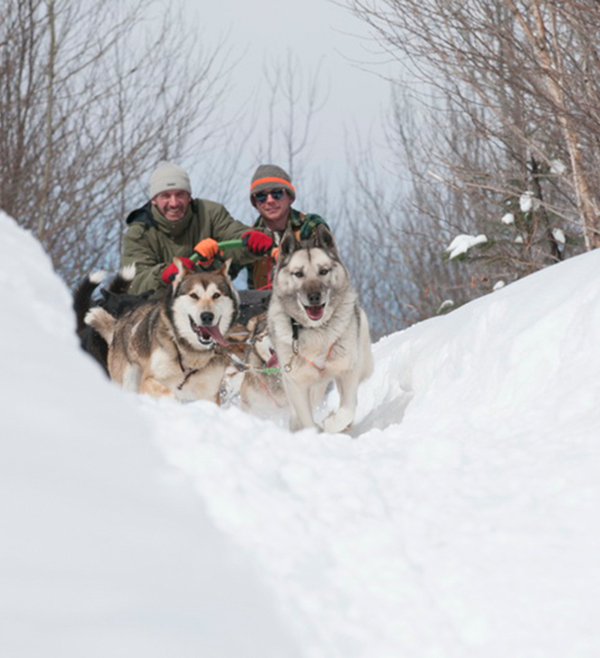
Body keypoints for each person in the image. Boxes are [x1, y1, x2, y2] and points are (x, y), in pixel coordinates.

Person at [121, 162, 270, 296]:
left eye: (180, 194)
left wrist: (252, 240)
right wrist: (162, 275)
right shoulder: (139, 233)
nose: (174, 203)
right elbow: (134, 284)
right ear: (154, 200)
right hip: (159, 310)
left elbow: (232, 235)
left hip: (210, 300)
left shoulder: (210, 213)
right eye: (165, 196)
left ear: (189, 197)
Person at [239, 164, 330, 289]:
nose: (270, 200)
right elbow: (226, 270)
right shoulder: (249, 236)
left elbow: (324, 266)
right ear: (255, 203)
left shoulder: (310, 225)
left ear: (290, 197)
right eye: (261, 196)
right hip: (262, 305)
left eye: (277, 194)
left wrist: (287, 257)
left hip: (307, 300)